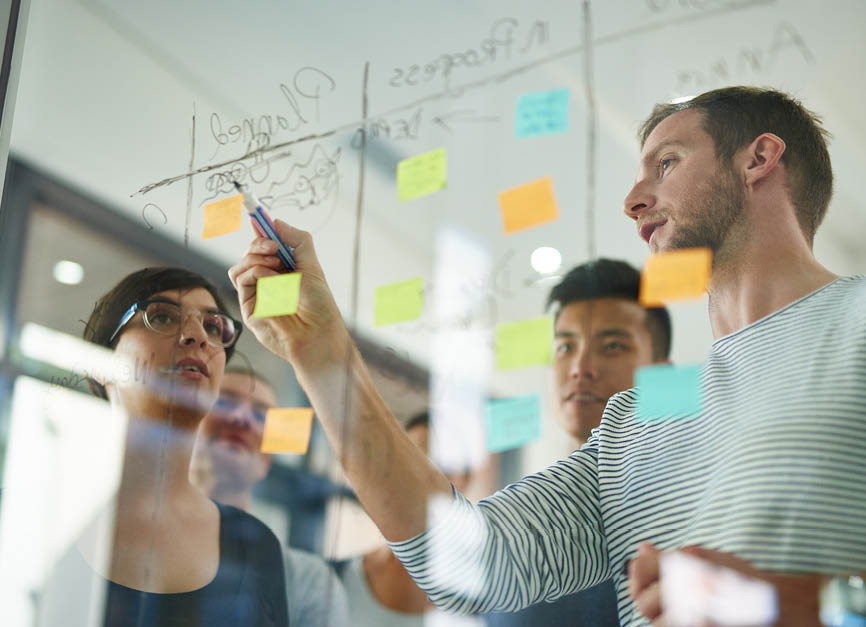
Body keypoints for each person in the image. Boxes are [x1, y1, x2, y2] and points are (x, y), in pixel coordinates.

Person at [229, 86, 866, 625]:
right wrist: (319, 350)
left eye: (666, 164)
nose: (633, 201)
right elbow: (470, 565)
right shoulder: (631, 426)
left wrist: (817, 605)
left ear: (760, 158)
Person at [65, 267, 288, 626]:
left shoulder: (254, 546)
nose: (197, 335)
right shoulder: (34, 511)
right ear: (102, 362)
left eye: (213, 327)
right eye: (162, 317)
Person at [485, 259, 672, 626]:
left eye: (613, 345)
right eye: (565, 347)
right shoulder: (523, 522)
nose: (580, 366)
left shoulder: (677, 514)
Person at [191, 365, 350, 627]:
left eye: (260, 415)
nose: (242, 418)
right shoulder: (128, 540)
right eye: (223, 402)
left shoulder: (308, 581)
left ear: (266, 461)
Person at [336, 411, 478, 627]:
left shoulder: (489, 595)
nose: (421, 479)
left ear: (465, 481)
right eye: (408, 463)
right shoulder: (333, 581)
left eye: (441, 467)